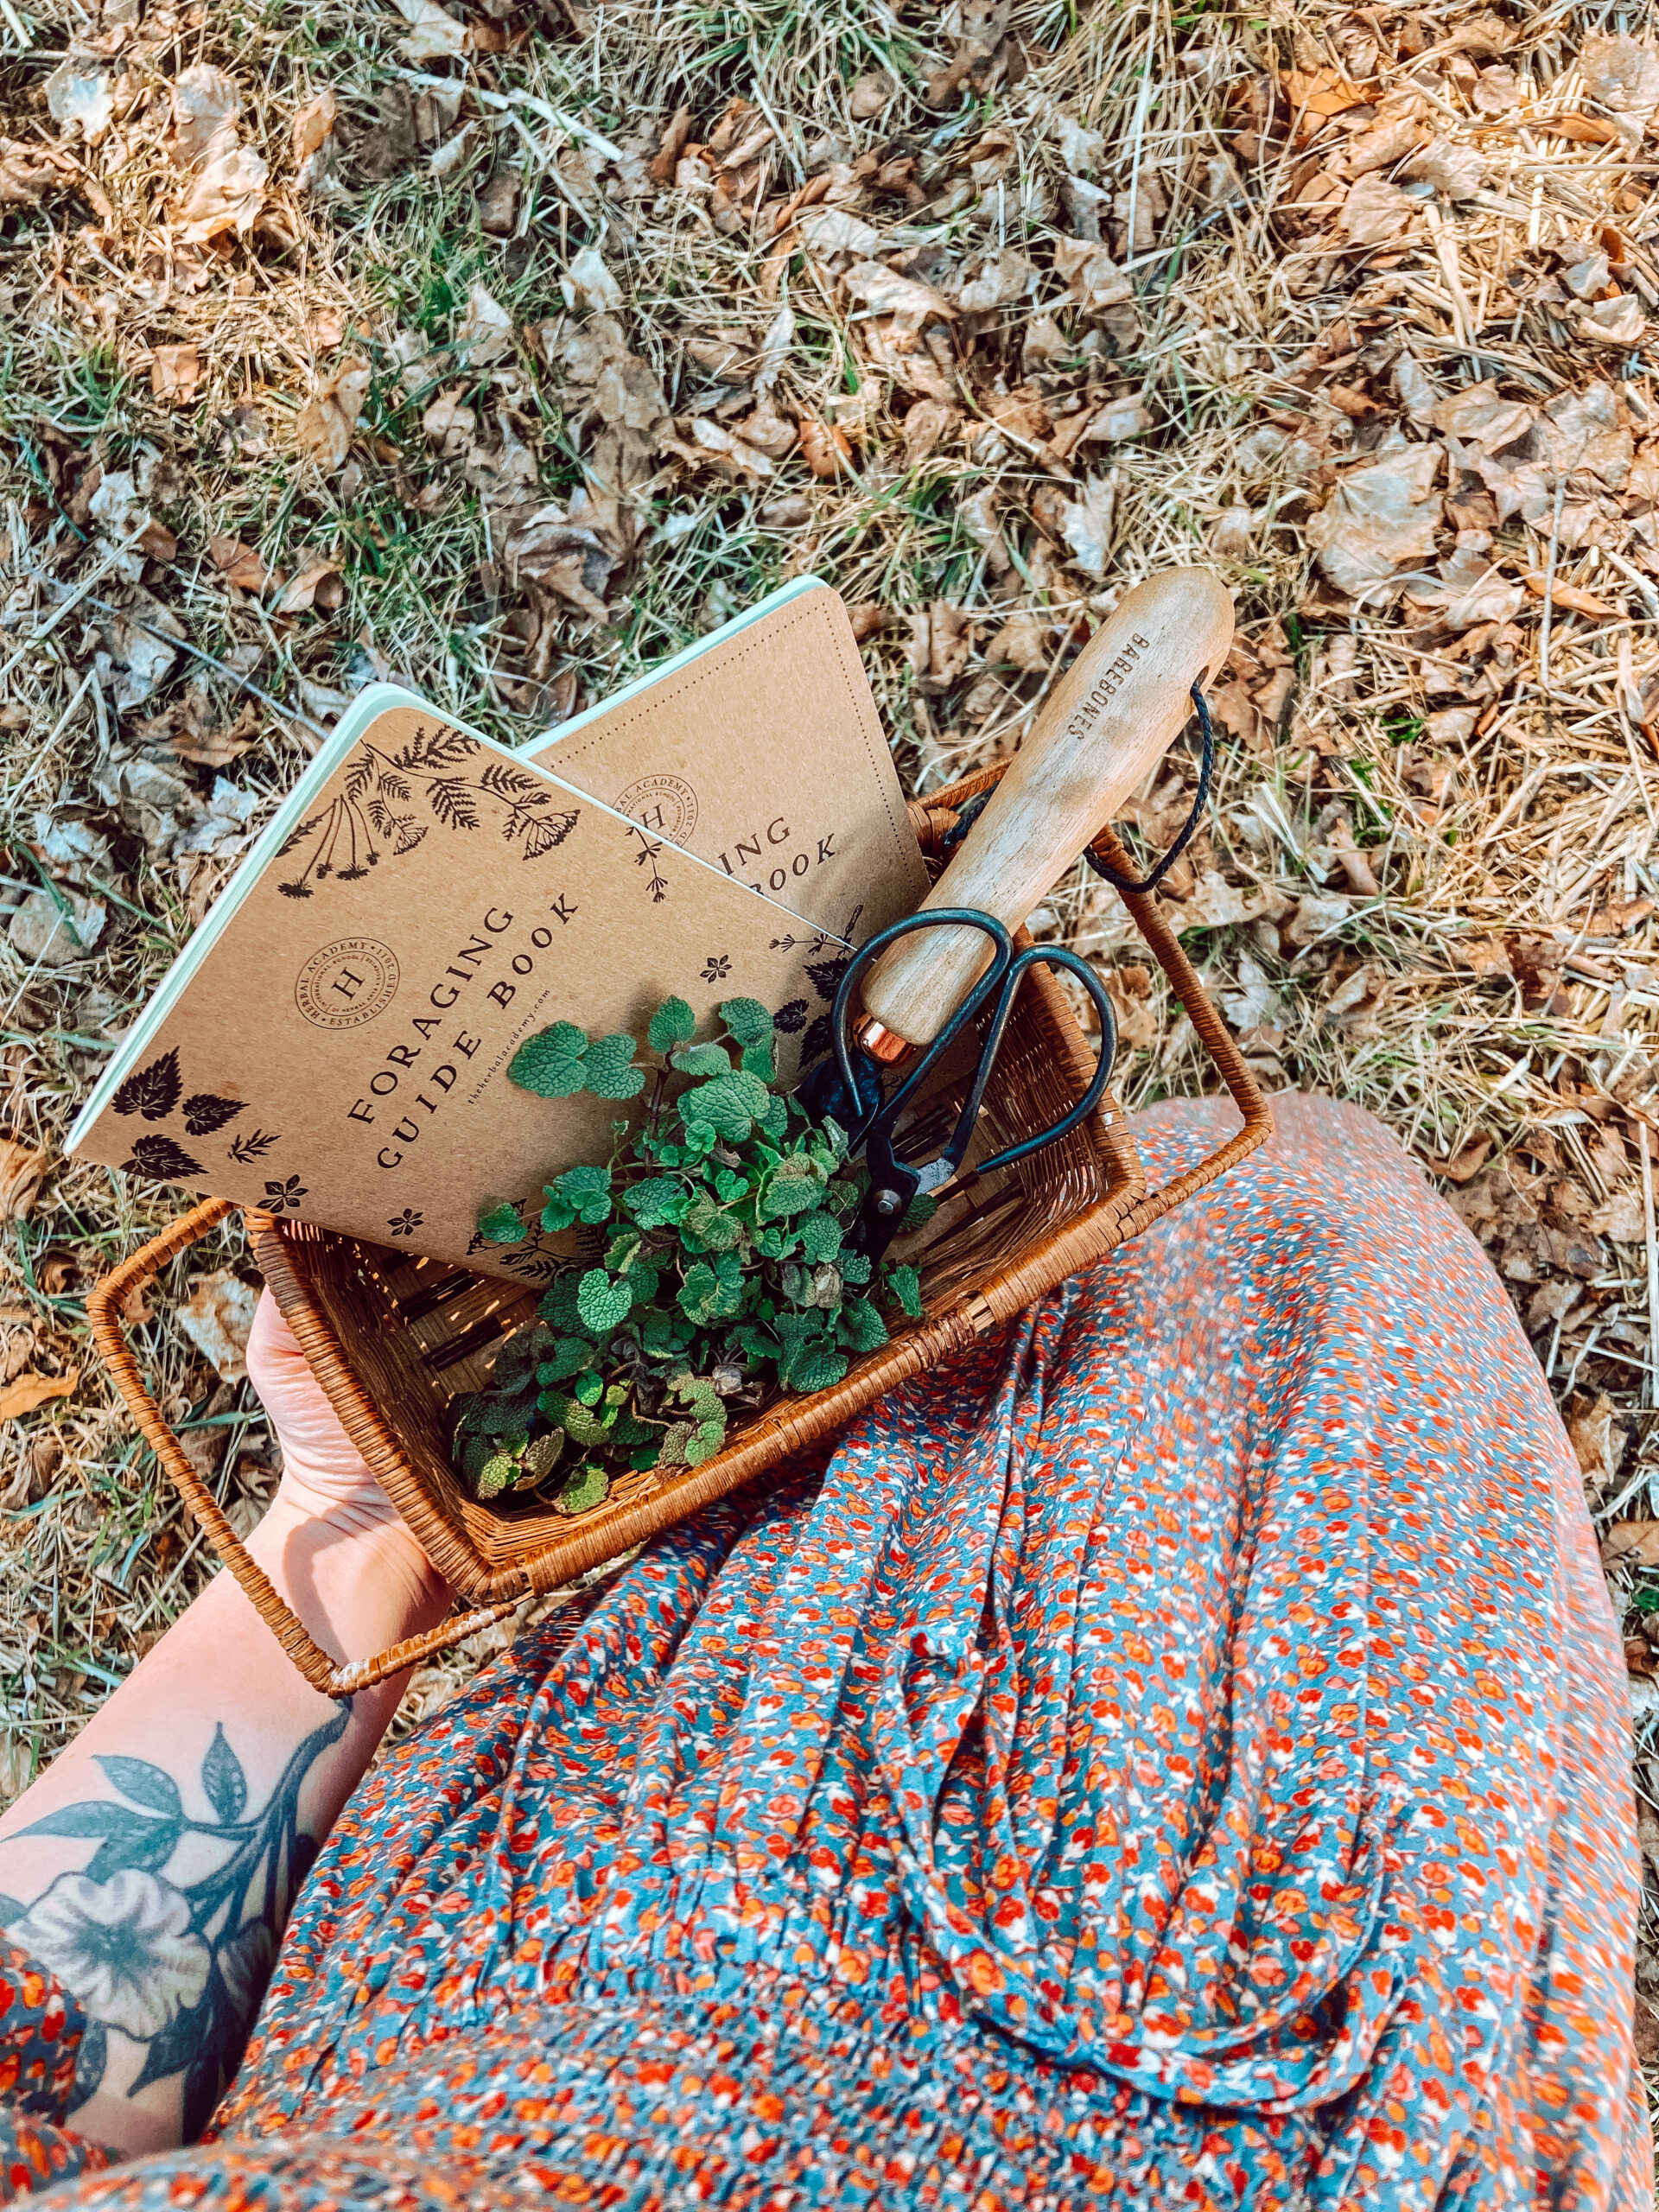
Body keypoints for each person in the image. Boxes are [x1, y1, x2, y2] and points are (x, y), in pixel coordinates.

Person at [0, 1094, 1646, 2209]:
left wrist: (363, 1531)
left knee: (1202, 1200)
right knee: (1296, 1235)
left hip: (600, 1870)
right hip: (1267, 2030)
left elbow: (53, 2037)